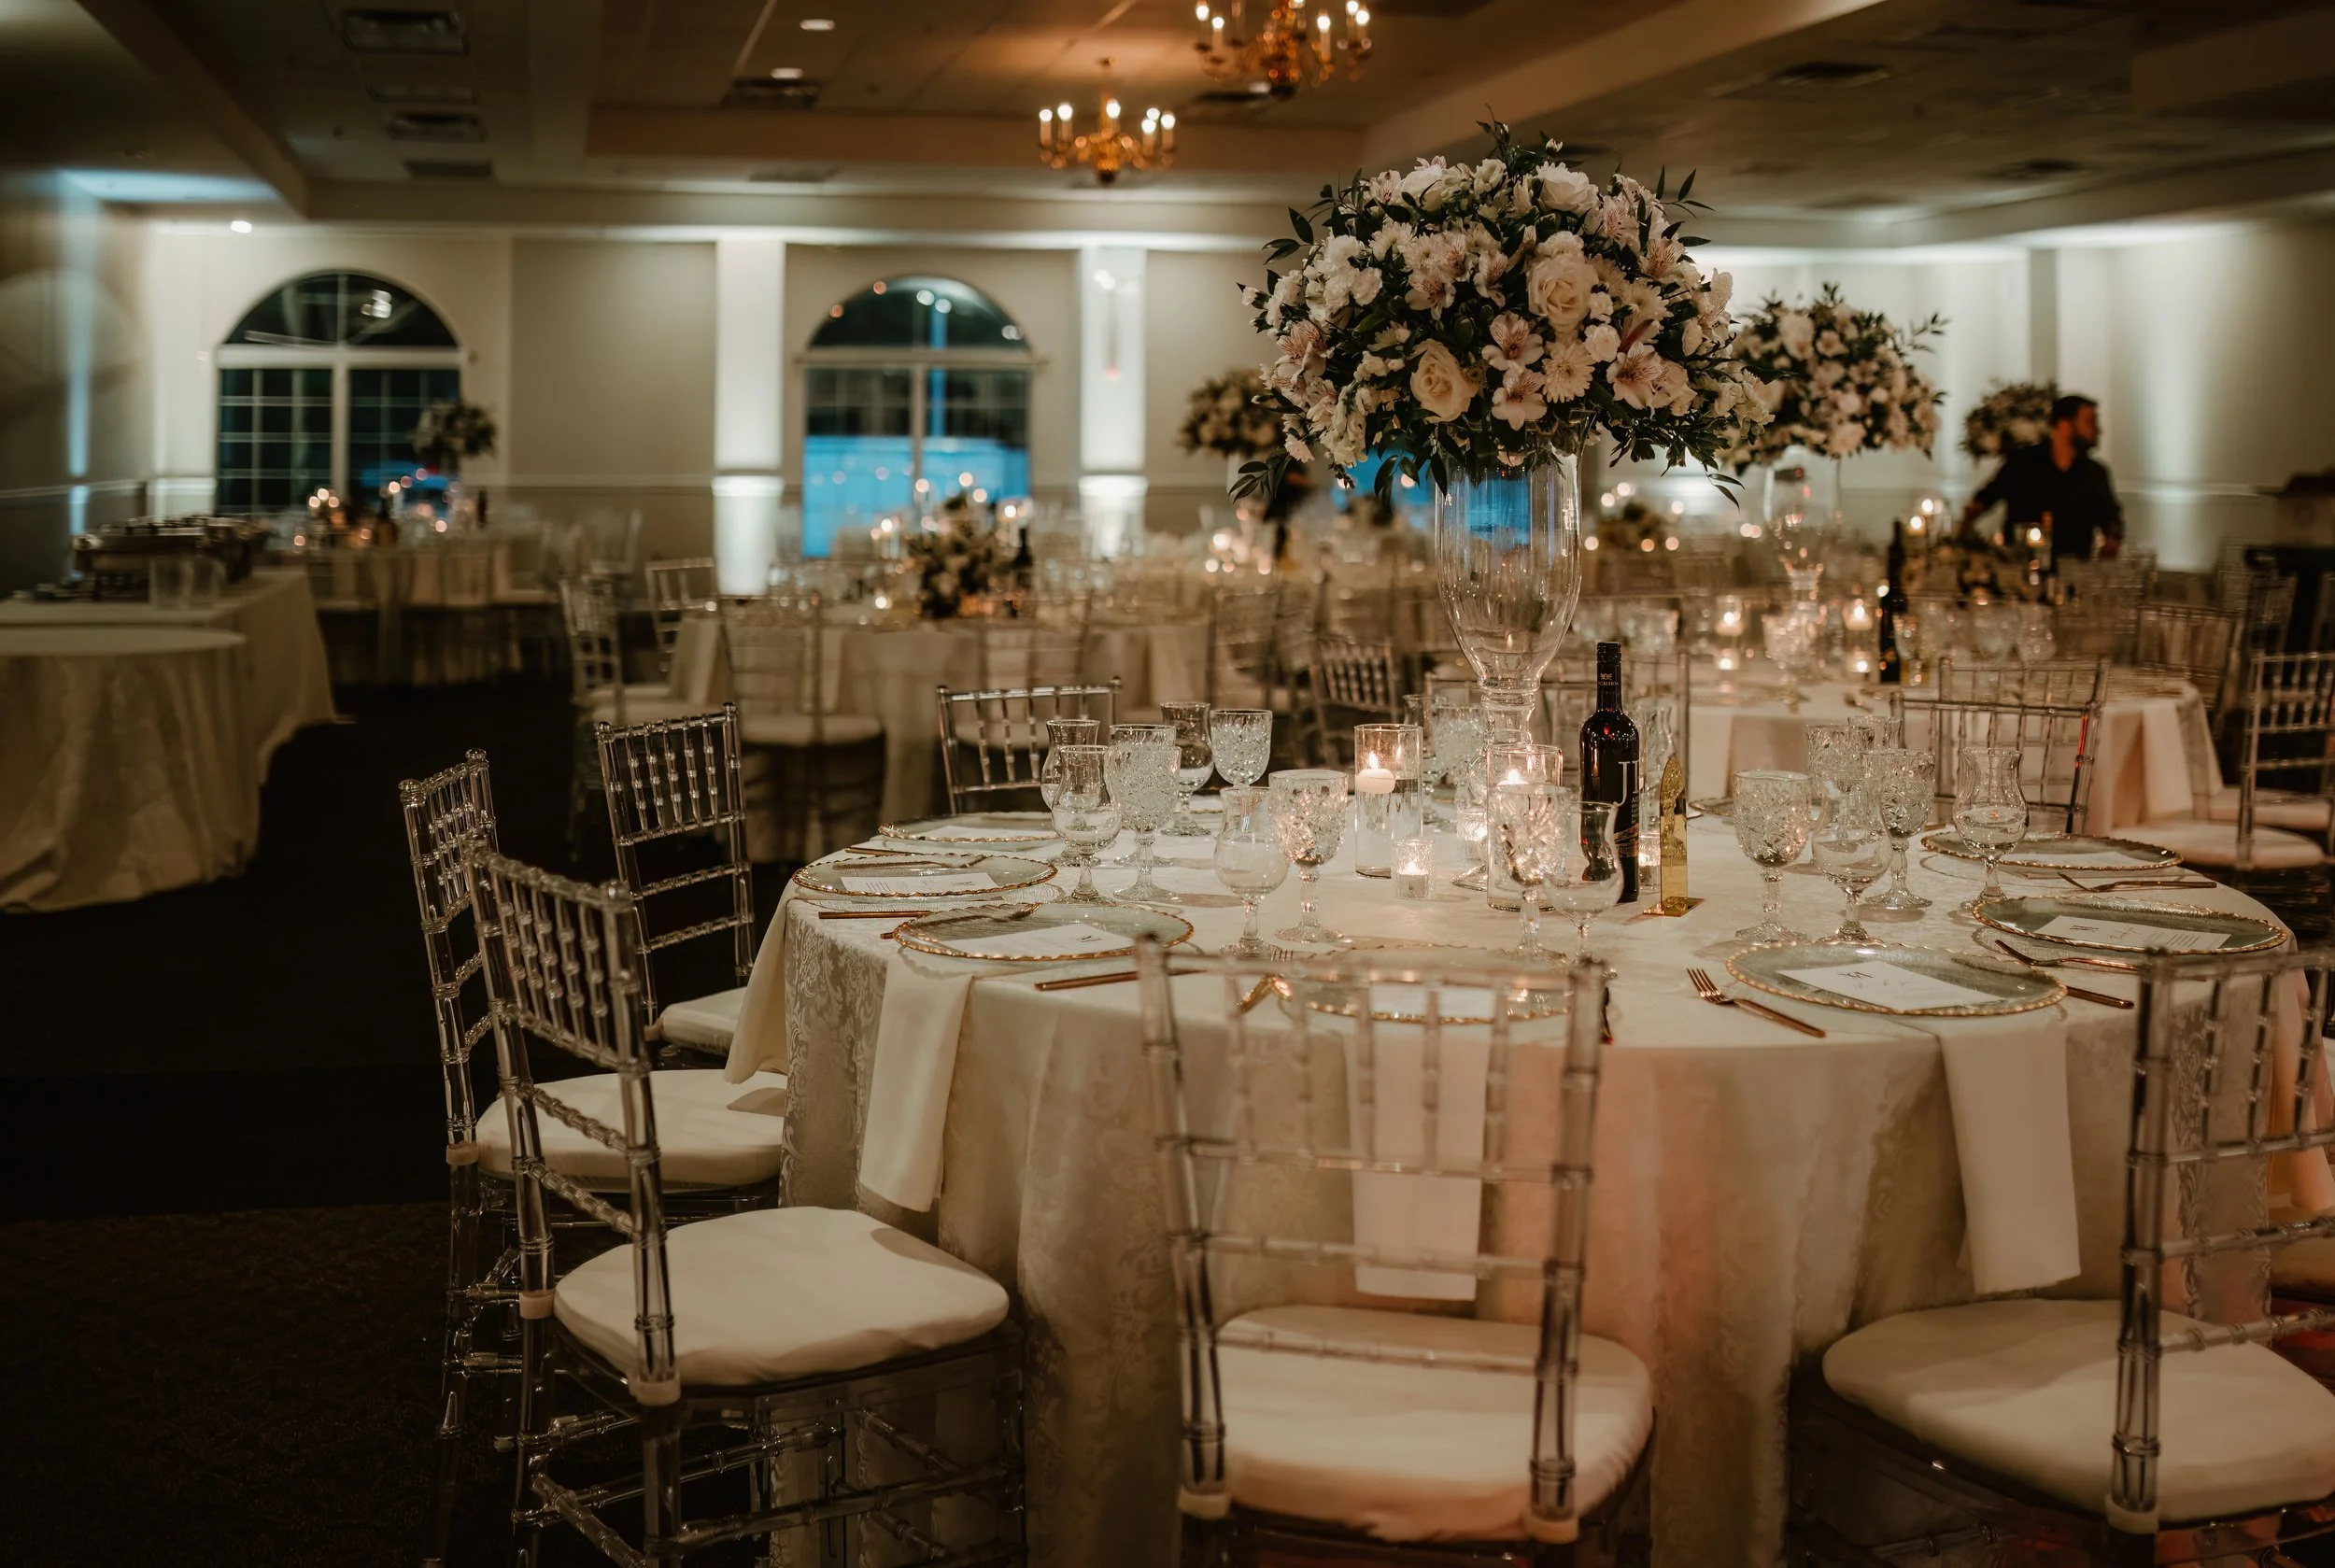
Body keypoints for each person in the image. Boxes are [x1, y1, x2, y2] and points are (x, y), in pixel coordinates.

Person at [1956, 394, 2124, 562]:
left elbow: (2110, 517)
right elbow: (1987, 497)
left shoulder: (2094, 472)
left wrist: (2112, 540)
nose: (2097, 430)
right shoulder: (2023, 463)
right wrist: (1965, 528)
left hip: (2074, 571)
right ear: (2065, 425)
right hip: (2020, 568)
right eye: (2090, 422)